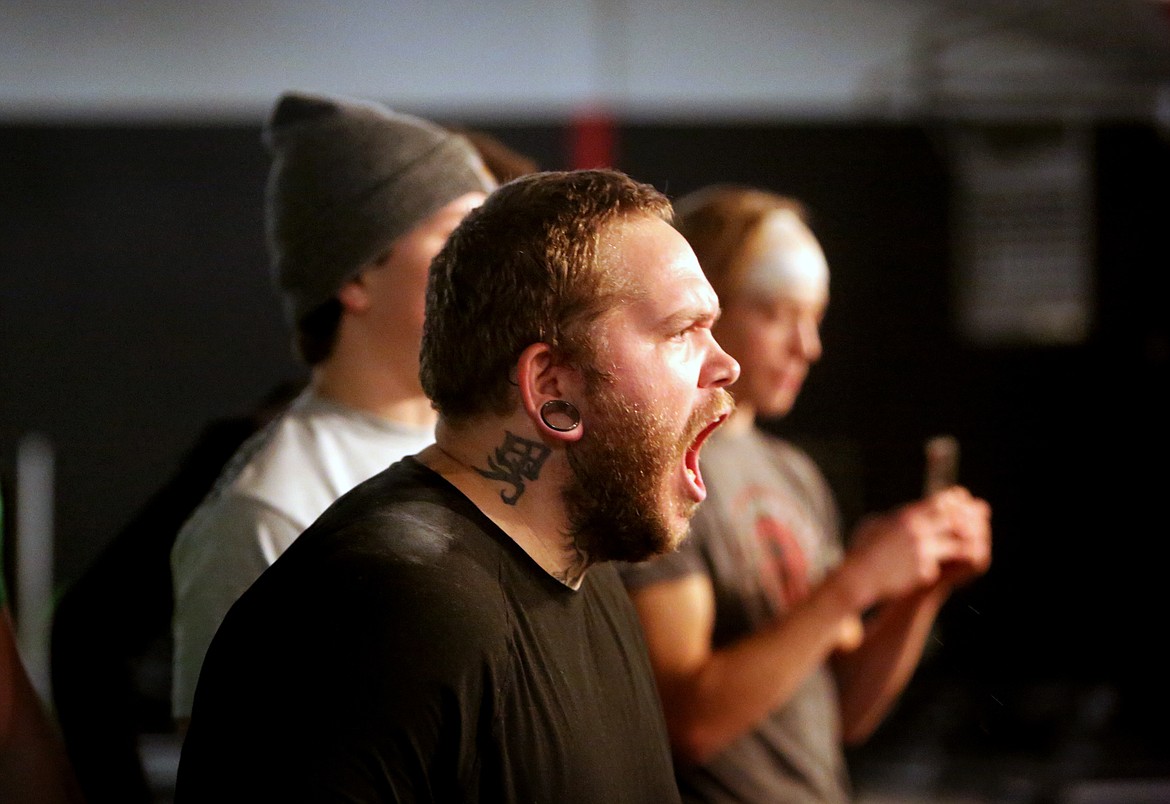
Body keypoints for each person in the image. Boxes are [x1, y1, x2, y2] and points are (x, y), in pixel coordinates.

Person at [173, 168, 741, 802]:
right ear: (551, 387)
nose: (725, 364)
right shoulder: (386, 612)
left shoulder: (586, 568)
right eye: (681, 332)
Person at [618, 185, 992, 803]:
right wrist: (857, 582)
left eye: (815, 318)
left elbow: (844, 711)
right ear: (703, 309)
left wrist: (921, 586)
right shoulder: (660, 471)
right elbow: (688, 724)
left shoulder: (793, 473)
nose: (808, 348)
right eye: (777, 314)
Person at [169, 89, 498, 730]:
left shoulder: (488, 449)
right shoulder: (271, 507)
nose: (490, 274)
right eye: (459, 242)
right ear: (355, 278)